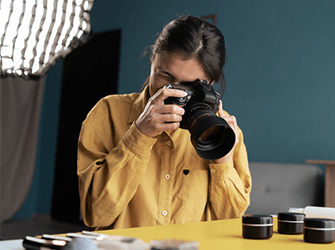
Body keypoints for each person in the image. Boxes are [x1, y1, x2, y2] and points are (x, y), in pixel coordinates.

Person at [77, 15, 251, 229]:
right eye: (164, 75)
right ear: (153, 61)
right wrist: (139, 135)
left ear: (210, 84)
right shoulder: (107, 114)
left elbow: (231, 224)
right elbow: (95, 215)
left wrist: (222, 161)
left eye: (190, 84)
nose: (171, 91)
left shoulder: (224, 134)